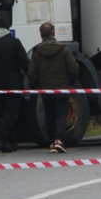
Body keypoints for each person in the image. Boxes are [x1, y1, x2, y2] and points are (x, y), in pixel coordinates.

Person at [27, 22, 80, 154]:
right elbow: (73, 68)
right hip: (62, 88)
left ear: (41, 35)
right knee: (61, 115)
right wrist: (70, 82)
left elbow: (32, 73)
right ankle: (59, 140)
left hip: (45, 90)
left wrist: (37, 85)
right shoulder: (64, 49)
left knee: (49, 116)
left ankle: (51, 142)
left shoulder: (37, 52)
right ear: (53, 33)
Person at [0, 12, 30, 153]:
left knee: (3, 114)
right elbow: (24, 63)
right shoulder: (14, 43)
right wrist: (33, 78)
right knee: (12, 114)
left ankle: (12, 142)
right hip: (14, 86)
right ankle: (2, 138)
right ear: (8, 28)